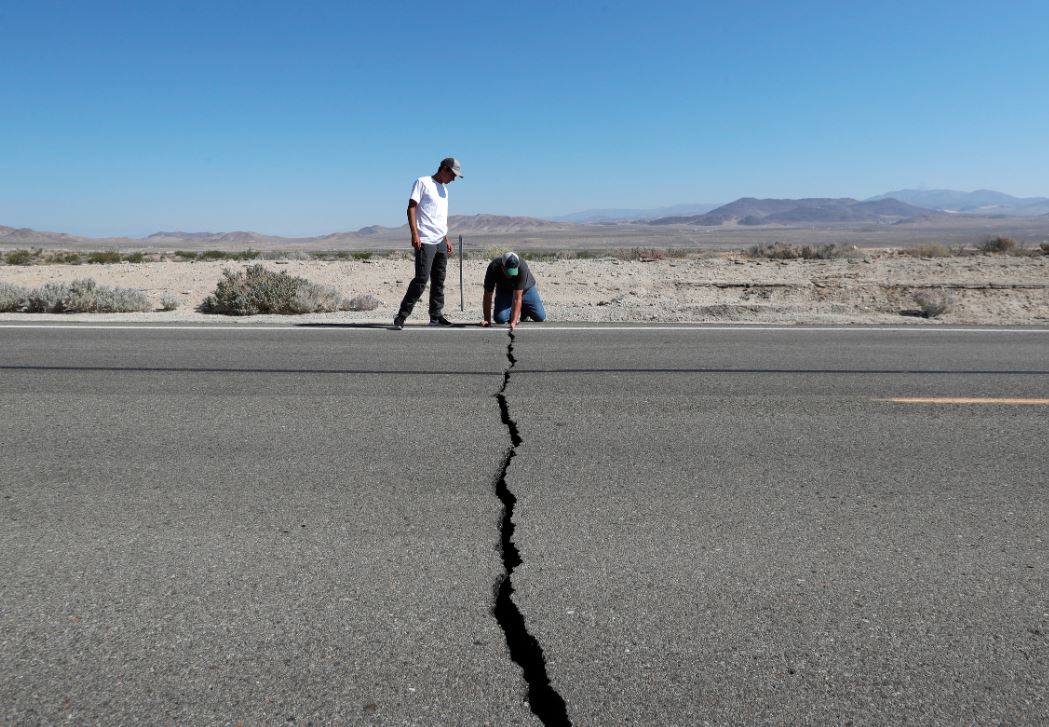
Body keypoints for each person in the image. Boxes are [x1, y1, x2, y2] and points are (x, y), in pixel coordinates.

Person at [393, 157, 463, 329]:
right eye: (453, 175)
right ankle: (401, 315)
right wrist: (414, 234)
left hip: (440, 240)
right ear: (444, 169)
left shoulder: (444, 190)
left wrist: (446, 238)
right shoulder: (422, 182)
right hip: (425, 239)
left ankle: (436, 316)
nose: (454, 179)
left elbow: (440, 216)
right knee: (421, 280)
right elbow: (411, 207)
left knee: (439, 281)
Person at [480, 251, 546, 331]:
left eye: (513, 271)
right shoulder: (493, 267)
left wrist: (514, 321)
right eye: (508, 271)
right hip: (505, 291)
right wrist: (487, 320)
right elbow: (487, 295)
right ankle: (513, 310)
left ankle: (523, 310)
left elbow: (517, 297)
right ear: (502, 265)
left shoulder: (522, 266)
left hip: (525, 291)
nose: (510, 275)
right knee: (500, 319)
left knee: (540, 317)